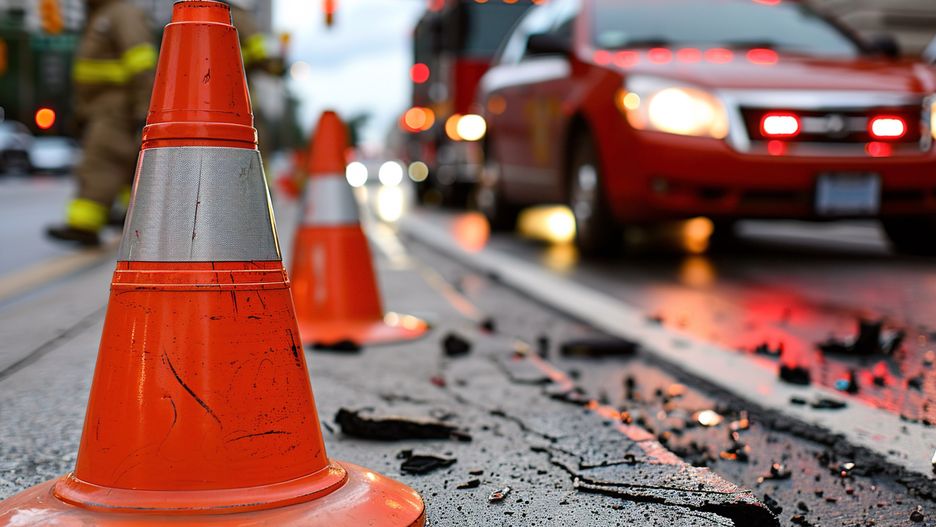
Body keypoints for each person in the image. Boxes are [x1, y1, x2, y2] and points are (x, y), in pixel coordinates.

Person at [47, 0, 156, 246]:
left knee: (100, 164)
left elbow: (141, 63)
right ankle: (134, 219)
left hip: (116, 110)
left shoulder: (121, 14)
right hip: (106, 109)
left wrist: (143, 108)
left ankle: (83, 225)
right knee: (127, 166)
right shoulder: (103, 15)